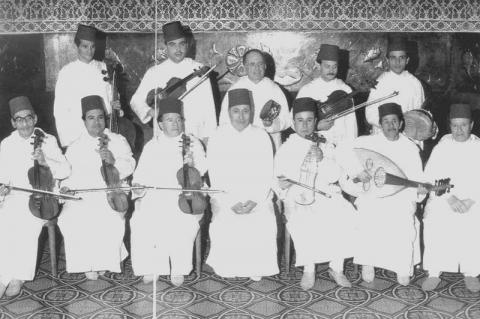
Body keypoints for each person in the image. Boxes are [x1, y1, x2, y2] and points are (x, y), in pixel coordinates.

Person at [336, 103, 424, 285]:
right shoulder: (367, 142)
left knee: (402, 217)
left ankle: (401, 267)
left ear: (401, 124)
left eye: (394, 121)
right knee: (369, 211)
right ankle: (368, 262)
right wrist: (357, 171)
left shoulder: (410, 148)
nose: (390, 125)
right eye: (386, 122)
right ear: (380, 124)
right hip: (373, 194)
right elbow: (341, 152)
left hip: (400, 196)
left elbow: (416, 179)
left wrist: (419, 191)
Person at [274, 97, 357, 290]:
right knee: (306, 219)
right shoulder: (287, 148)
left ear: (315, 121)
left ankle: (336, 268)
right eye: (300, 120)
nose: (305, 125)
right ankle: (309, 269)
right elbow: (277, 179)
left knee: (344, 214)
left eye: (309, 120)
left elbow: (335, 175)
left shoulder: (325, 144)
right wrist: (282, 184)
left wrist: (323, 160)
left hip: (325, 191)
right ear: (293, 122)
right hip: (297, 195)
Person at [130, 97, 207, 286]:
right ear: (160, 124)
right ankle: (152, 266)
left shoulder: (193, 143)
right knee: (141, 219)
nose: (176, 123)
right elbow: (140, 175)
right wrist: (138, 185)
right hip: (156, 196)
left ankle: (179, 268)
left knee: (182, 219)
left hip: (185, 195)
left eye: (179, 119)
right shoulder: (152, 145)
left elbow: (203, 168)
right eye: (170, 120)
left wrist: (192, 165)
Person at [58, 95, 135, 280]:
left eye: (100, 117)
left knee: (109, 215)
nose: (96, 122)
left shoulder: (117, 139)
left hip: (111, 192)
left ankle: (106, 261)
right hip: (83, 194)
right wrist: (66, 188)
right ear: (84, 121)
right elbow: (67, 175)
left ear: (105, 119)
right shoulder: (75, 145)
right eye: (91, 118)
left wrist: (114, 161)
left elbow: (130, 163)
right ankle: (86, 263)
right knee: (70, 217)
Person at [0, 96, 70, 297]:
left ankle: (18, 276)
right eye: (19, 119)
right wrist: (2, 188)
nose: (24, 123)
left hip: (41, 197)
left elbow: (65, 170)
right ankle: (4, 274)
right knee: (4, 220)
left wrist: (45, 160)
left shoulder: (47, 140)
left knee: (26, 221)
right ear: (13, 123)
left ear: (35, 119)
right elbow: (2, 176)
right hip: (14, 196)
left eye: (28, 118)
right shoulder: (7, 143)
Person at [207, 88, 278, 280]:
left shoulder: (261, 135)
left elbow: (267, 172)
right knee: (227, 220)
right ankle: (228, 267)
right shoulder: (217, 136)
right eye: (236, 111)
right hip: (225, 196)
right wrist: (230, 201)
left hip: (257, 195)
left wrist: (255, 199)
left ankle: (256, 267)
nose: (241, 116)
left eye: (246, 110)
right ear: (228, 112)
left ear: (252, 112)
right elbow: (215, 174)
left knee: (263, 220)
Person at [422, 104, 480, 292]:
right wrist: (450, 198)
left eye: (463, 125)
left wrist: (471, 200)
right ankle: (434, 272)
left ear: (471, 125)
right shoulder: (442, 147)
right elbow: (431, 177)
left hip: (473, 200)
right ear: (450, 126)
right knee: (437, 217)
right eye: (455, 126)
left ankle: (471, 272)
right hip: (444, 198)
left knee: (474, 220)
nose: (459, 130)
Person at [130, 21, 216, 144]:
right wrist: (152, 112)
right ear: (166, 47)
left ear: (187, 45)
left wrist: (208, 138)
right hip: (166, 136)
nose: (178, 49)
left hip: (195, 133)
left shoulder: (199, 69)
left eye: (182, 44)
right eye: (172, 45)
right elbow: (135, 101)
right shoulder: (154, 72)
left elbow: (209, 109)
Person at [54, 24, 120, 147]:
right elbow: (60, 110)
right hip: (78, 133)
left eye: (92, 46)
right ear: (77, 46)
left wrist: (115, 104)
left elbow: (111, 96)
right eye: (85, 46)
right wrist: (69, 141)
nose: (89, 51)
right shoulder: (66, 72)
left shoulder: (103, 67)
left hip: (103, 128)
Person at [219, 49, 291, 151]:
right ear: (245, 67)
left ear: (265, 66)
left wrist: (271, 125)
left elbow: (287, 119)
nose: (257, 68)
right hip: (242, 144)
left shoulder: (274, 89)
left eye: (260, 64)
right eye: (252, 64)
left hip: (270, 144)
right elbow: (224, 122)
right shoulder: (236, 89)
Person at [296, 44, 358, 146]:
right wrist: (316, 126)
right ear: (319, 66)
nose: (331, 70)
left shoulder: (345, 89)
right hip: (313, 145)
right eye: (327, 66)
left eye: (335, 66)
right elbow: (294, 120)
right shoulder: (307, 90)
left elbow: (352, 125)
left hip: (340, 145)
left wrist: (351, 147)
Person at [365, 36, 425, 134]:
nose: (397, 62)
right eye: (393, 57)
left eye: (402, 57)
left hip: (408, 136)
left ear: (407, 60)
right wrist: (389, 126)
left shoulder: (415, 83)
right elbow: (370, 113)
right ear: (387, 60)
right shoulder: (380, 83)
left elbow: (420, 113)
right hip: (383, 135)